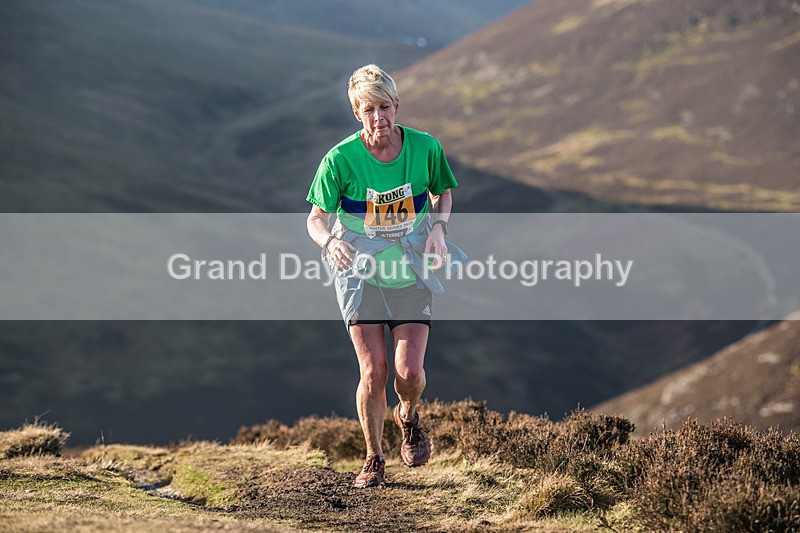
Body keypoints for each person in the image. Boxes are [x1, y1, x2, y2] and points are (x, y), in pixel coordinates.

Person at [306, 64, 462, 488]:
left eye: (385, 107)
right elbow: (316, 218)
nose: (379, 117)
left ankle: (408, 415)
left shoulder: (425, 148)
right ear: (357, 113)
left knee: (408, 373)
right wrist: (330, 243)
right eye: (368, 108)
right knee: (374, 372)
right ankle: (374, 457)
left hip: (410, 266)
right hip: (359, 270)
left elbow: (441, 191)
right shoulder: (339, 159)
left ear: (397, 106)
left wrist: (438, 229)